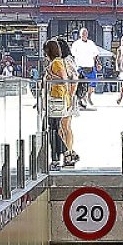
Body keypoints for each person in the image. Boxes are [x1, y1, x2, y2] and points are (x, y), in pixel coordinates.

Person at [42, 39, 72, 170]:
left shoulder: (56, 63)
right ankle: (63, 154)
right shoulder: (56, 62)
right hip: (55, 99)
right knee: (52, 128)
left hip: (57, 99)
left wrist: (50, 76)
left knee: (52, 129)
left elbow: (63, 80)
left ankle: (62, 155)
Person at [58, 39, 79, 165]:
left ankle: (69, 153)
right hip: (61, 97)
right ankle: (68, 151)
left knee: (65, 126)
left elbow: (74, 79)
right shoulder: (59, 61)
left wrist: (70, 96)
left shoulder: (67, 60)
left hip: (67, 97)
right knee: (61, 127)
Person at [71, 27, 99, 109]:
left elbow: (95, 55)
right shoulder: (76, 44)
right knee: (81, 85)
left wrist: (98, 63)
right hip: (80, 67)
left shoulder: (91, 43)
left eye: (85, 33)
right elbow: (72, 55)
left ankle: (89, 97)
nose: (84, 34)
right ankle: (81, 100)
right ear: (80, 35)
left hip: (90, 66)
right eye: (83, 33)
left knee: (92, 84)